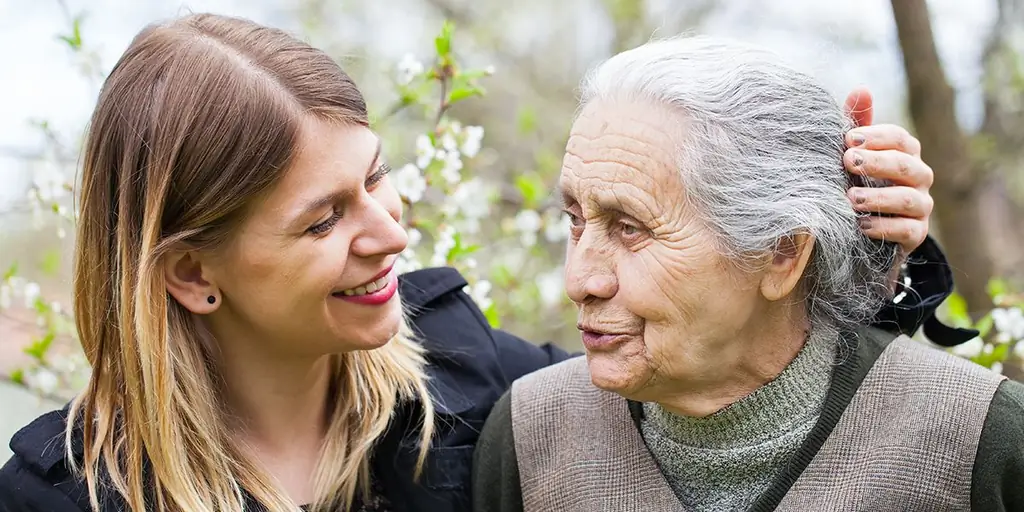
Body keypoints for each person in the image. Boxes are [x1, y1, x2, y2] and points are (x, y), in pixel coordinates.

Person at [0, 14, 966, 512]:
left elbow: (718, 373)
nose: (388, 233)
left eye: (376, 181)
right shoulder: (61, 494)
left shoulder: (470, 382)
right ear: (190, 274)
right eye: (324, 219)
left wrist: (868, 252)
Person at [471, 35, 1024, 512]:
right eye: (574, 220)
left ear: (783, 253)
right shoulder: (529, 436)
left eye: (630, 228)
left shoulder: (981, 442)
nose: (579, 280)